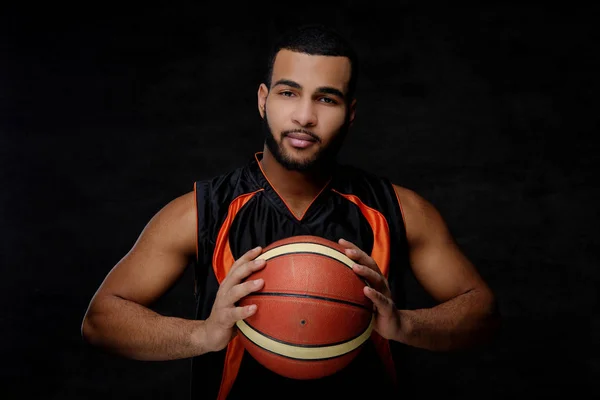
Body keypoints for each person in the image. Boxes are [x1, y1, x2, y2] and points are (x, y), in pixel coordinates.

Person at [81, 23, 500, 399]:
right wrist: (203, 334)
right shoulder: (199, 211)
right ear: (263, 99)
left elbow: (483, 312)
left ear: (350, 114)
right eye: (288, 93)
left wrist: (405, 325)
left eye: (327, 99)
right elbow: (101, 320)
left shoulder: (400, 210)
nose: (304, 116)